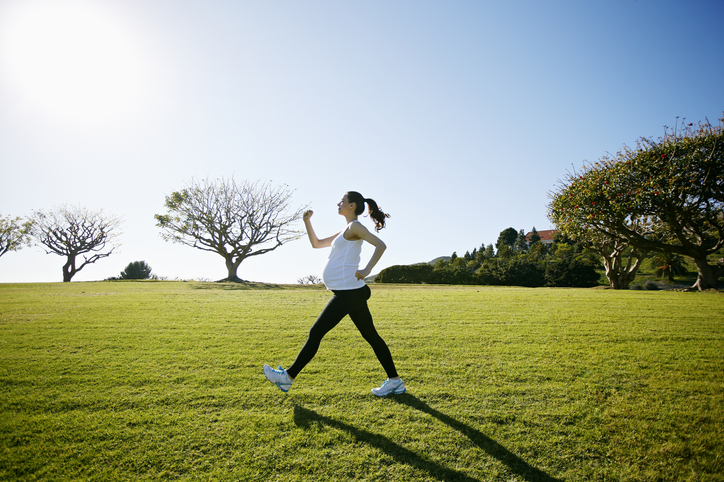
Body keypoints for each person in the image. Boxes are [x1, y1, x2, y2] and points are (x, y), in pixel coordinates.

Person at [263, 191, 405, 397]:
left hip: (348, 292)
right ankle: (395, 382)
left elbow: (381, 245)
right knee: (371, 336)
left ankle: (287, 377)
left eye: (342, 201)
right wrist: (307, 222)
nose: (338, 204)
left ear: (352, 206)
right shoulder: (345, 230)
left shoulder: (355, 226)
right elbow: (317, 243)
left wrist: (366, 270)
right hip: (350, 292)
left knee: (316, 332)